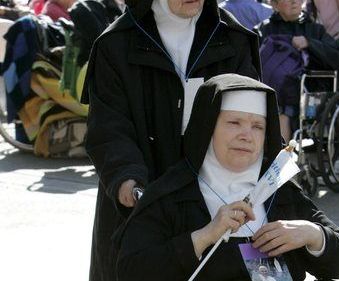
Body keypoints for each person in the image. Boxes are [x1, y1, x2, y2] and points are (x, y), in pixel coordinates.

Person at [80, 0, 262, 280]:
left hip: (218, 208)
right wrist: (127, 179)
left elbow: (254, 123)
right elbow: (109, 128)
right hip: (142, 207)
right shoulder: (115, 44)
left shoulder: (232, 39)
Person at [116, 74, 339, 281]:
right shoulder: (171, 195)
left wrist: (313, 234)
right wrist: (204, 236)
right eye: (234, 122)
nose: (246, 136)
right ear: (207, 127)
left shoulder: (278, 192)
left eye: (258, 126)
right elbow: (130, 272)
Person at [254, 0, 339, 143]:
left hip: (308, 89)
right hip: (269, 89)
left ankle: (279, 157)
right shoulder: (263, 30)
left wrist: (309, 43)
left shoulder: (315, 30)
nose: (294, 1)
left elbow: (337, 58)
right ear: (275, 5)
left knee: (283, 109)